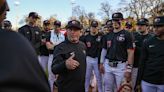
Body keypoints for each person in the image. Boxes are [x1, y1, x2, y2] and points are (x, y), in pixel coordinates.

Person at [0, 0, 50, 92]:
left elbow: (40, 41)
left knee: (37, 75)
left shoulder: (38, 29)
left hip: (37, 54)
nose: (34, 19)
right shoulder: (22, 29)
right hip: (24, 55)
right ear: (29, 18)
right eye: (33, 17)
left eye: (36, 18)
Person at [99, 12, 134, 92]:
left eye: (117, 20)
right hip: (108, 65)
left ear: (122, 21)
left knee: (120, 89)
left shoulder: (127, 34)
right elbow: (104, 50)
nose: (115, 22)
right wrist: (101, 63)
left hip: (121, 67)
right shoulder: (108, 35)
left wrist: (129, 69)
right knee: (107, 89)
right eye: (113, 20)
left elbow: (131, 52)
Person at [51, 20, 86, 92]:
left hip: (81, 87)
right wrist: (65, 64)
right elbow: (54, 69)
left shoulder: (83, 45)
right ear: (67, 31)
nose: (73, 32)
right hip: (66, 88)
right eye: (70, 29)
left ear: (80, 32)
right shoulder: (60, 47)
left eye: (76, 30)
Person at [136, 16, 164, 92]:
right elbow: (142, 62)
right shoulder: (148, 42)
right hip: (147, 81)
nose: (155, 28)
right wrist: (138, 82)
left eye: (159, 26)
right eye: (154, 26)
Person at [132, 18, 153, 91]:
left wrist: (136, 47)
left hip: (146, 68)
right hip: (135, 66)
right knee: (133, 87)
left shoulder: (151, 37)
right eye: (138, 25)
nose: (139, 27)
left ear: (147, 26)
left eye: (142, 25)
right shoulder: (133, 35)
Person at [83, 20, 103, 92]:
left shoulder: (101, 36)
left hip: (97, 59)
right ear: (90, 27)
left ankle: (100, 90)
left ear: (97, 27)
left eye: (95, 27)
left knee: (98, 77)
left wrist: (100, 61)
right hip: (88, 58)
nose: (93, 28)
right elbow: (81, 45)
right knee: (87, 76)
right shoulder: (86, 37)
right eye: (92, 27)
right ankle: (85, 90)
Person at [46, 20, 65, 92]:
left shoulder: (63, 35)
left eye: (58, 26)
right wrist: (58, 45)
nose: (57, 27)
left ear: (60, 27)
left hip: (60, 57)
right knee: (51, 76)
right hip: (52, 56)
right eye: (56, 26)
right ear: (54, 26)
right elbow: (48, 47)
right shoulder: (49, 33)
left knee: (60, 76)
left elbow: (64, 47)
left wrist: (53, 45)